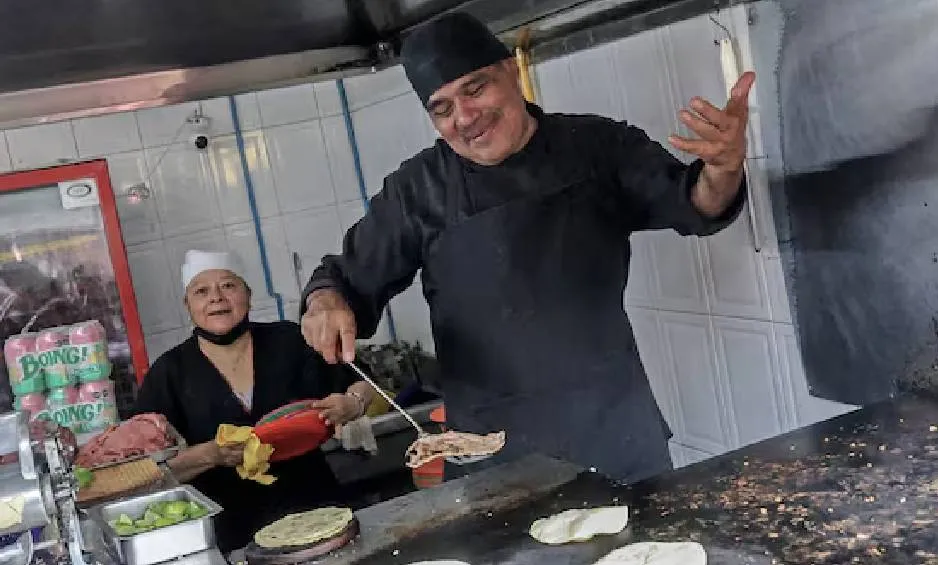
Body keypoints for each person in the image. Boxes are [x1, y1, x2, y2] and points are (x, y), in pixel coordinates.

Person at [300, 12, 753, 484]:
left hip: (614, 431)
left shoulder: (597, 145)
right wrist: (325, 301)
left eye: (476, 89)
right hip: (490, 452)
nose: (465, 118)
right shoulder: (417, 190)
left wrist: (723, 168)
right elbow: (344, 279)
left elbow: (694, 204)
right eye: (443, 108)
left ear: (511, 71)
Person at [134, 250, 376, 552]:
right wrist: (211, 454)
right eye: (201, 291)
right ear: (188, 305)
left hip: (318, 509)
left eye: (228, 286)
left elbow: (364, 381)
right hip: (232, 533)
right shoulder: (169, 372)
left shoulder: (289, 339)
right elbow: (147, 470)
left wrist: (353, 403)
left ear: (247, 294)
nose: (216, 298)